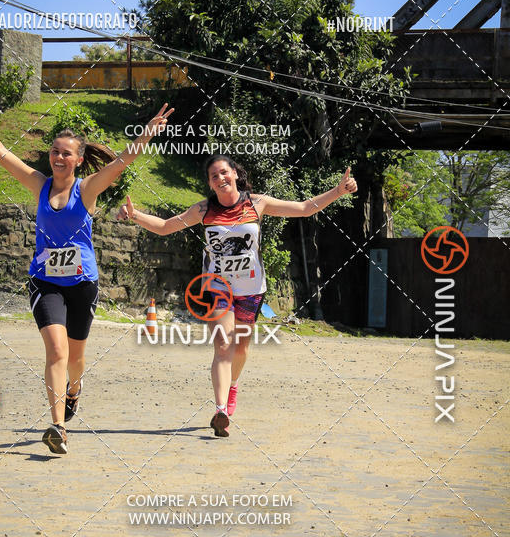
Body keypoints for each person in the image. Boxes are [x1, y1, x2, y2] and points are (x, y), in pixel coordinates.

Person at [0, 82, 173, 454]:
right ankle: (57, 427)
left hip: (83, 284)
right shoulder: (38, 185)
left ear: (79, 159)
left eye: (66, 153)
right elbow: (0, 153)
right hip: (45, 282)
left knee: (76, 358)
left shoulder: (87, 190)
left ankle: (75, 389)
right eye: (54, 151)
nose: (58, 157)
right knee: (56, 352)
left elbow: (121, 162)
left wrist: (147, 133)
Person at [119, 154, 357, 437]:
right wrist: (135, 215)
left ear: (235, 174)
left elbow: (305, 208)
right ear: (210, 183)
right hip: (217, 287)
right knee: (223, 345)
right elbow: (165, 227)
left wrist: (338, 191)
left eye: (224, 173)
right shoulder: (204, 210)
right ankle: (220, 410)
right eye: (214, 176)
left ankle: (232, 386)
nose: (220, 179)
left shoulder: (258, 203)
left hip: (251, 290)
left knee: (240, 349)